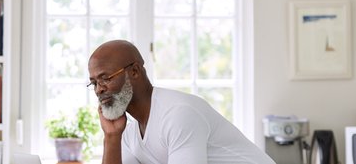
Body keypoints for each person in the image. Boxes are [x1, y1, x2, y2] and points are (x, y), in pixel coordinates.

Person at [88, 40, 276, 164]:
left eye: (105, 78)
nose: (99, 89)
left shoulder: (178, 114)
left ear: (135, 72)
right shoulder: (129, 134)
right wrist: (111, 137)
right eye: (94, 82)